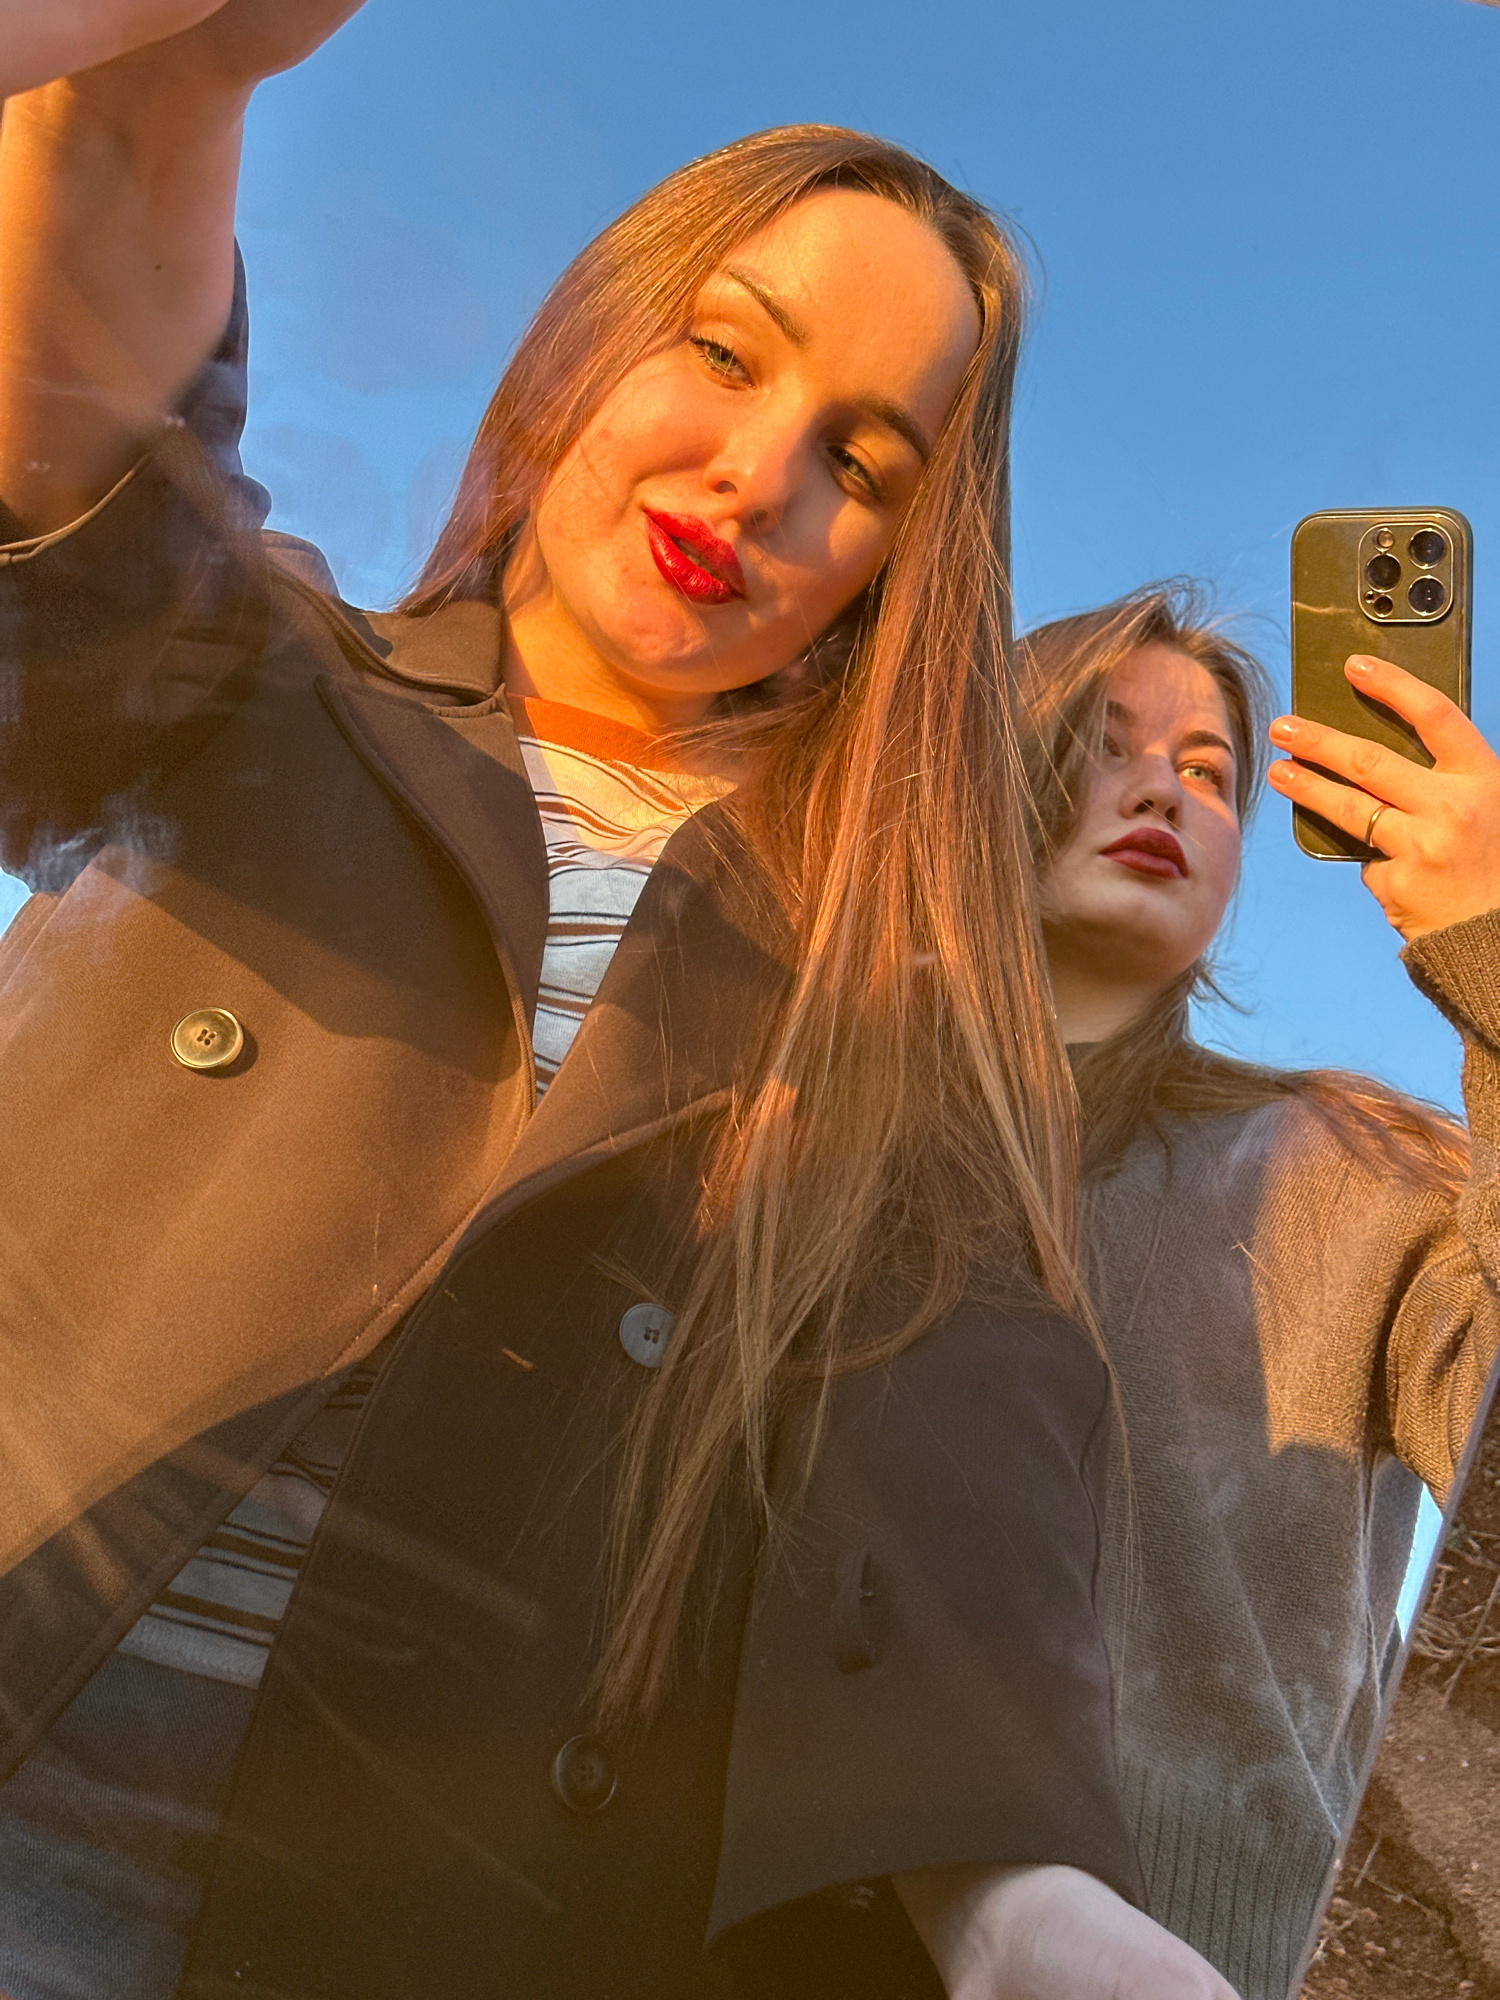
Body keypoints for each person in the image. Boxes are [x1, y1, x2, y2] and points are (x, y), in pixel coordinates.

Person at [0, 8, 1243, 1998]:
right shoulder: (263, 668)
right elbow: (73, 487)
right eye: (725, 351)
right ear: (589, 338)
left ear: (893, 573)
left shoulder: (880, 982)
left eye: (863, 463)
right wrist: (165, 77)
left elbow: (953, 1417)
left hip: (426, 1909)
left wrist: (1011, 1891)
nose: (760, 478)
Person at [1017, 581, 1500, 2000]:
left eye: (1210, 771)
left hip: (1243, 1963)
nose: (1158, 788)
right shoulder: (806, 1140)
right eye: (1098, 743)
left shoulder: (1362, 1168)